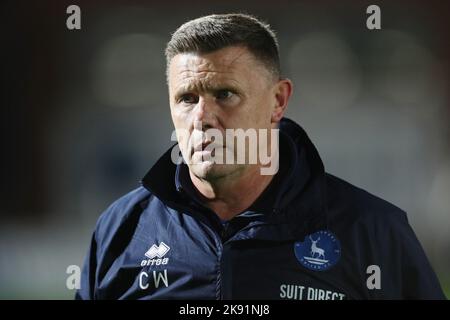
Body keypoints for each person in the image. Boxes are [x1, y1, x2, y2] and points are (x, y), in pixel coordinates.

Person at [76, 13, 445, 300]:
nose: (202, 118)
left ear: (278, 101)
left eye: (225, 94)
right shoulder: (122, 230)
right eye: (187, 99)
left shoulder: (372, 231)